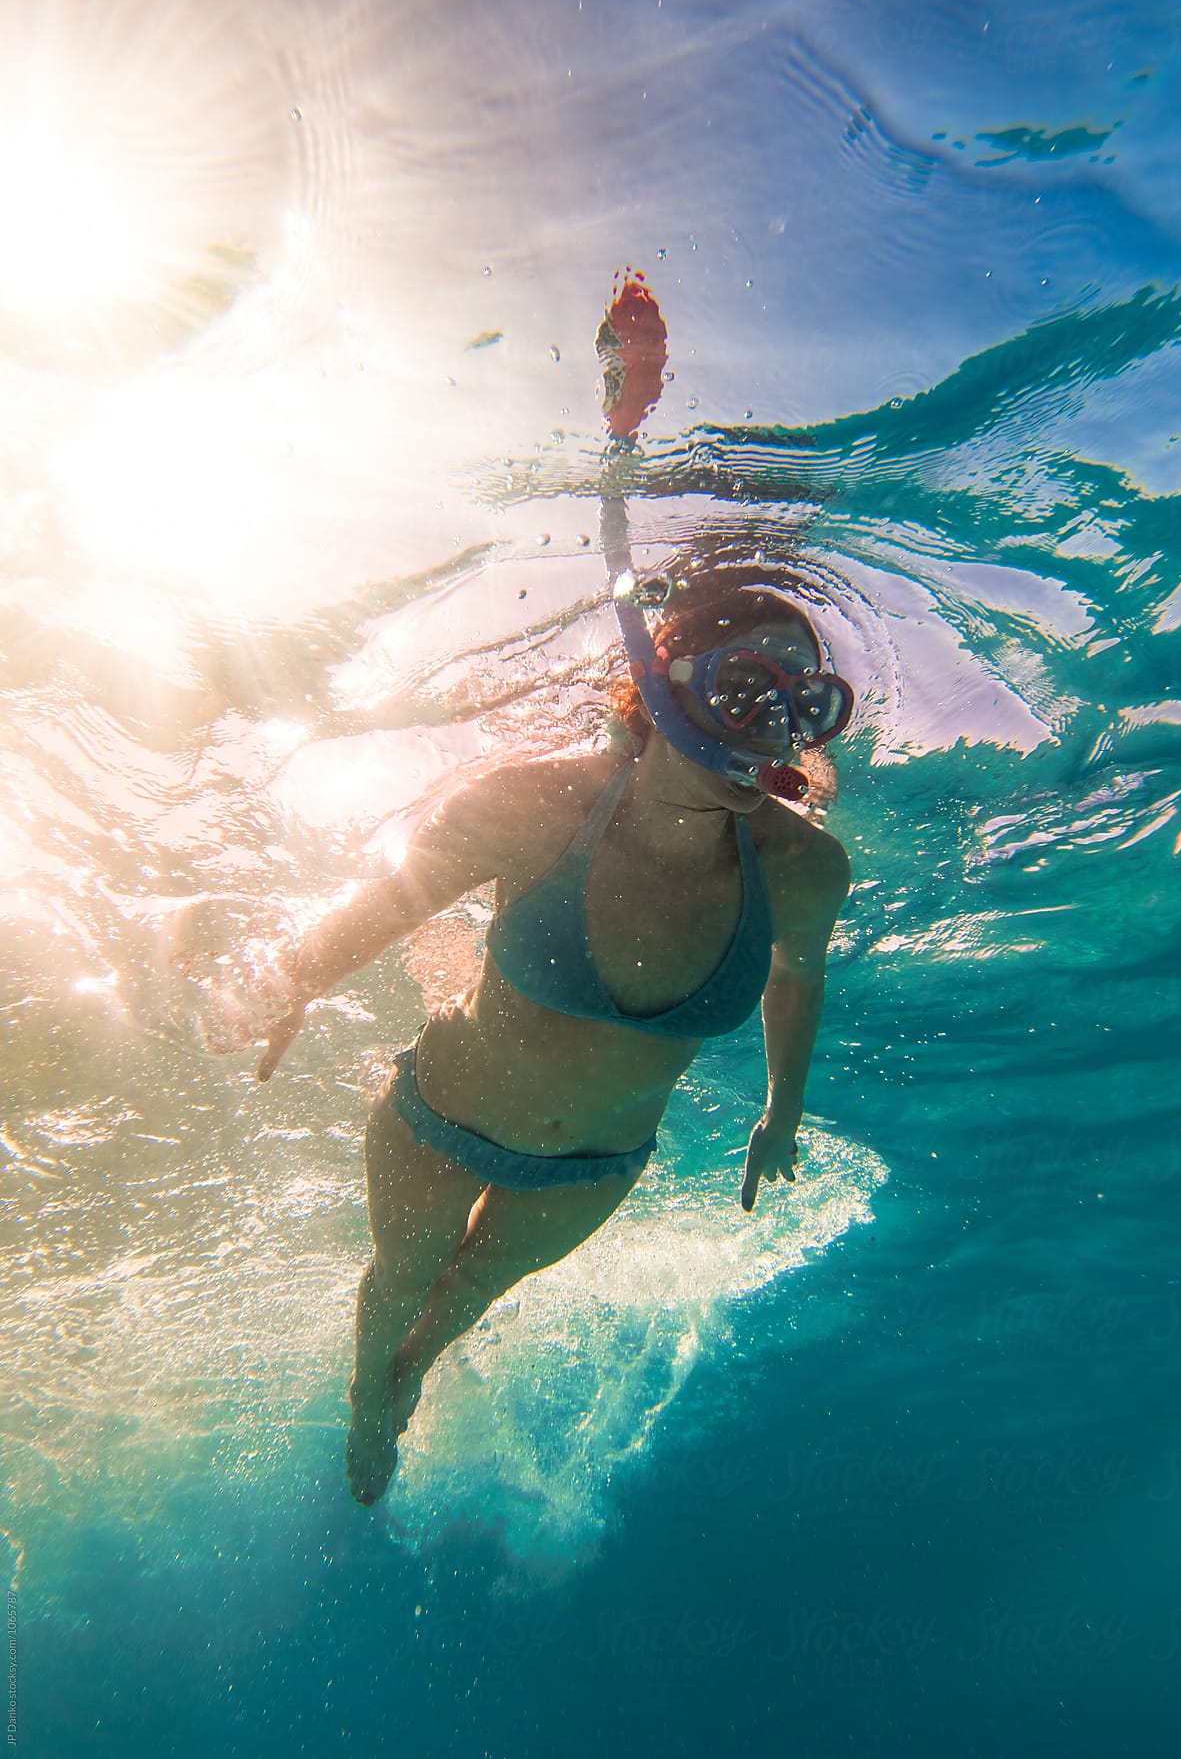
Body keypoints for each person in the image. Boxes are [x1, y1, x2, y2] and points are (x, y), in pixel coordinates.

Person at [256, 577, 853, 1505]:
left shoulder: (806, 870)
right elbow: (394, 900)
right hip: (442, 1120)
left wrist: (783, 1107)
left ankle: (408, 1377)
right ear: (662, 684)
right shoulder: (535, 806)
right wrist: (295, 979)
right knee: (402, 1278)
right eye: (745, 690)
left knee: (465, 1296)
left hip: (597, 1166)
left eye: (804, 704)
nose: (775, 728)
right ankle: (368, 1403)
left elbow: (797, 976)